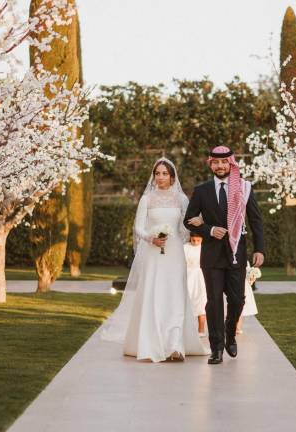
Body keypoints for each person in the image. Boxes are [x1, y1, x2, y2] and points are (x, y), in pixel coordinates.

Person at [101, 158, 209, 363]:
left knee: (175, 294)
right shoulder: (147, 199)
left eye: (164, 173)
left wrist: (196, 224)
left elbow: (186, 226)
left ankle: (175, 344)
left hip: (175, 252)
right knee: (155, 293)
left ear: (172, 176)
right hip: (153, 252)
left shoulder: (181, 199)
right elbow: (138, 227)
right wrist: (152, 238)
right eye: (157, 173)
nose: (160, 177)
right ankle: (152, 342)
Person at [184, 145, 264, 365]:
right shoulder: (202, 190)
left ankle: (230, 334)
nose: (220, 166)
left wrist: (260, 249)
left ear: (231, 163)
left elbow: (256, 220)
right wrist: (209, 229)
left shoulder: (244, 188)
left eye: (224, 162)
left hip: (236, 253)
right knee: (214, 302)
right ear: (210, 164)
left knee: (238, 300)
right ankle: (216, 348)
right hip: (211, 255)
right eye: (215, 163)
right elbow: (188, 219)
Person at [184, 234, 207, 335]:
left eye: (198, 240)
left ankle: (201, 329)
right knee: (187, 299)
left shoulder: (204, 248)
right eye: (193, 240)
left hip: (200, 277)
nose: (196, 243)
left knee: (201, 301)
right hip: (188, 276)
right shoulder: (185, 247)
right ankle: (186, 328)